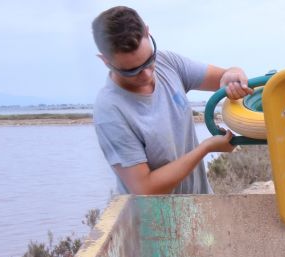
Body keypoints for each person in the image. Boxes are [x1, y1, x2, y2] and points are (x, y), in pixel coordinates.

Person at [91, 6, 253, 195]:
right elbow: (146, 188)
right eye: (131, 71)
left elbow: (224, 76)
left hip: (198, 204)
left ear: (147, 32)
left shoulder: (167, 62)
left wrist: (234, 74)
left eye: (148, 60)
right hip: (154, 221)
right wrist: (206, 148)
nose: (146, 74)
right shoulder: (110, 111)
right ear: (105, 61)